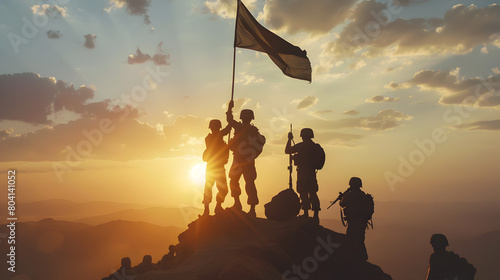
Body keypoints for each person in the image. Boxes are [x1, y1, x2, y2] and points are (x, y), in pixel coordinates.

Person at [226, 100, 265, 217]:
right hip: (246, 161)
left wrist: (229, 108)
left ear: (242, 117)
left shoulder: (241, 127)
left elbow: (229, 120)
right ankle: (246, 207)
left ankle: (240, 205)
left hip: (241, 161)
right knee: (247, 184)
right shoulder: (253, 130)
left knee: (239, 182)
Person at [285, 128, 323, 222]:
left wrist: (289, 139)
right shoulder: (315, 146)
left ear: (303, 136)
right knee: (313, 192)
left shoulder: (301, 146)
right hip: (312, 172)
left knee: (303, 192)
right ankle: (316, 215)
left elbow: (287, 151)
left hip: (302, 172)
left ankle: (306, 213)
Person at [339, 177, 373, 264]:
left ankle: (356, 258)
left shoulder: (350, 195)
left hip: (353, 221)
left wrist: (341, 198)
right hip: (362, 222)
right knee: (360, 238)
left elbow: (342, 204)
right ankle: (362, 257)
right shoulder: (363, 195)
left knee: (351, 238)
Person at [202, 119, 230, 216]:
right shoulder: (212, 138)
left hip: (212, 167)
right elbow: (225, 131)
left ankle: (212, 208)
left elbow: (224, 132)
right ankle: (212, 208)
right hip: (217, 167)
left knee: (211, 188)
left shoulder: (210, 138)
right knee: (220, 189)